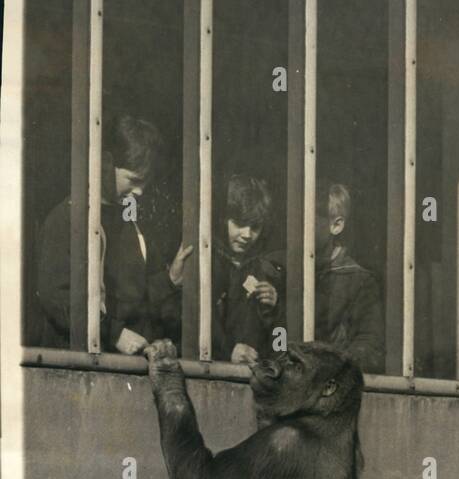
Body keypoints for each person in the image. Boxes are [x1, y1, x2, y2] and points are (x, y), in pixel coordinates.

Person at [37, 114, 191, 353]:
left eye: (146, 182)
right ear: (106, 163)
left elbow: (136, 300)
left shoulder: (132, 228)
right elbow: (57, 299)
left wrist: (170, 280)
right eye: (133, 179)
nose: (140, 191)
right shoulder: (66, 219)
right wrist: (113, 333)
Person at [212, 174, 285, 364]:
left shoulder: (266, 268)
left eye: (255, 227)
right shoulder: (206, 261)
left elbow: (280, 343)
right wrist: (227, 350)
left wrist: (274, 309)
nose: (247, 235)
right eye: (239, 224)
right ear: (222, 218)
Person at [314, 181, 384, 373]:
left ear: (336, 226)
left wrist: (336, 366)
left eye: (311, 218)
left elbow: (369, 343)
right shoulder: (281, 268)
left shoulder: (359, 281)